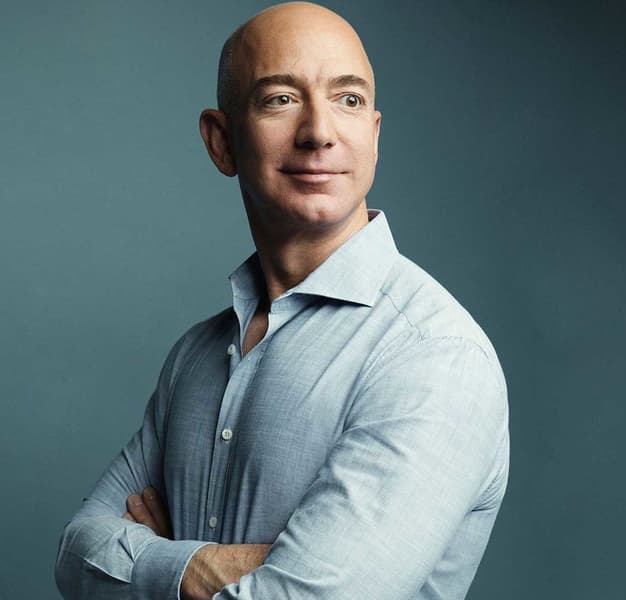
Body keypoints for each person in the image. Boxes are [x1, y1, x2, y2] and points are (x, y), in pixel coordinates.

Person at [54, 3, 509, 599]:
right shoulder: (193, 358)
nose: (319, 132)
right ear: (222, 142)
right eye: (281, 99)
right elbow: (75, 556)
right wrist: (215, 569)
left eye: (348, 99)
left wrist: (151, 565)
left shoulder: (432, 358)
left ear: (373, 136)